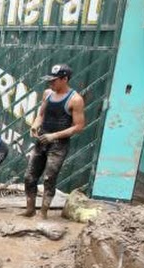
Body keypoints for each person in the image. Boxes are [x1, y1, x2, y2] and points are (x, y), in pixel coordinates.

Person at [22, 64, 85, 219]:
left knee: (49, 178)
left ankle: (43, 213)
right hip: (42, 140)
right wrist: (35, 125)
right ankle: (30, 209)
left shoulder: (75, 99)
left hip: (59, 144)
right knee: (29, 176)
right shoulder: (48, 94)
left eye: (54, 80)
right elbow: (41, 114)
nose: (51, 83)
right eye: (50, 80)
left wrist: (54, 135)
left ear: (65, 79)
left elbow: (79, 126)